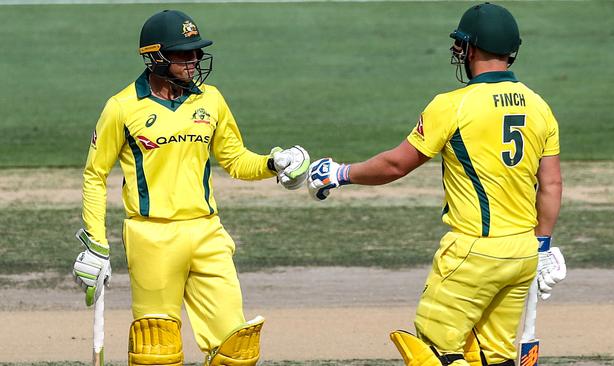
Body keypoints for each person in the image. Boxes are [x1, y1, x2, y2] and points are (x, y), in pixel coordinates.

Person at [307, 3, 566, 366]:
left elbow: (397, 164)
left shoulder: (452, 105)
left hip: (473, 252)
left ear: (472, 48)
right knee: (494, 356)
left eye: (462, 45)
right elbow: (551, 184)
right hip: (522, 252)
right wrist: (543, 246)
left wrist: (340, 173)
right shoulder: (539, 106)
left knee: (432, 350)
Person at [71, 9, 309, 366]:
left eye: (197, 52)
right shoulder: (122, 107)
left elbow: (235, 160)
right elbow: (95, 174)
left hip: (207, 232)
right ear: (155, 57)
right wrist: (96, 244)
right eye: (184, 53)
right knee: (157, 351)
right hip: (151, 238)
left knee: (237, 349)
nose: (194, 60)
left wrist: (272, 164)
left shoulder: (210, 100)